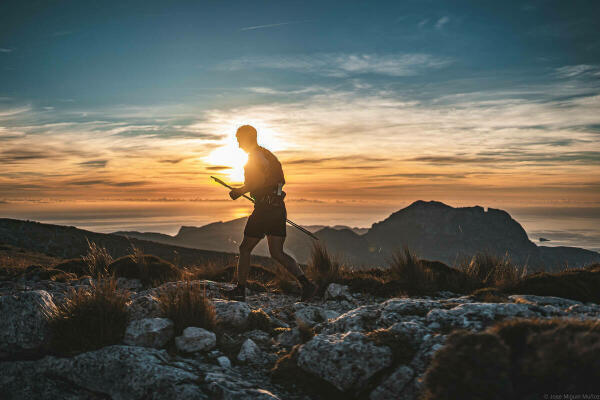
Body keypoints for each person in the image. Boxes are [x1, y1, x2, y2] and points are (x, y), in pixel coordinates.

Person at [224, 125, 317, 302]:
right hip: (277, 208)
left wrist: (239, 191)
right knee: (277, 252)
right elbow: (277, 182)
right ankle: (307, 285)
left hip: (264, 210)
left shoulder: (254, 156)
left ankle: (240, 290)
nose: (238, 144)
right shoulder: (268, 155)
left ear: (247, 138)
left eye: (239, 140)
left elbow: (257, 181)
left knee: (245, 248)